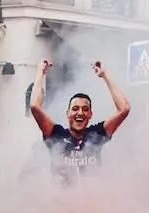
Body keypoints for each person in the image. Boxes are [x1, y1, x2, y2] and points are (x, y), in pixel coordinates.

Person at [29, 59, 131, 187]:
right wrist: (40, 73)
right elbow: (34, 106)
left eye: (85, 109)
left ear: (90, 115)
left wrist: (105, 75)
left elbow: (124, 109)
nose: (80, 113)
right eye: (75, 109)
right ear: (68, 114)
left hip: (91, 204)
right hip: (60, 204)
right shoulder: (56, 135)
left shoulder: (96, 135)